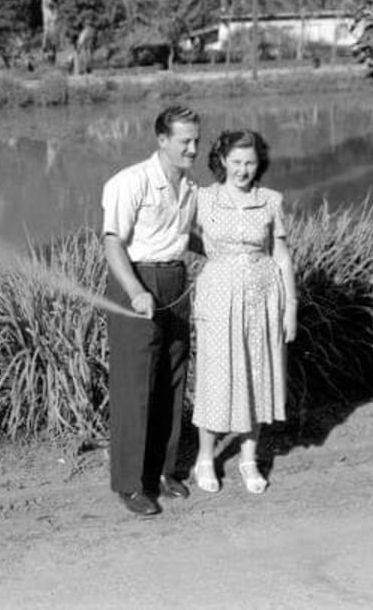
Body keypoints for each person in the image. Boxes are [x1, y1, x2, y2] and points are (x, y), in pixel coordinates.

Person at [101, 105, 200, 516]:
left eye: (196, 140)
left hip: (175, 282)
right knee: (135, 383)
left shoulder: (190, 188)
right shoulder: (131, 182)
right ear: (162, 141)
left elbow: (183, 237)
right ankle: (130, 482)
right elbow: (112, 243)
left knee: (172, 379)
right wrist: (136, 291)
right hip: (136, 285)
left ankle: (162, 470)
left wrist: (226, 250)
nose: (193, 149)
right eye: (185, 142)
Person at [190, 129, 297, 495]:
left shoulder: (270, 200)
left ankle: (249, 459)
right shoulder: (203, 199)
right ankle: (205, 457)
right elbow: (179, 235)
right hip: (218, 297)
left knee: (258, 374)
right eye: (236, 162)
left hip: (264, 296)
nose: (242, 170)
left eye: (249, 162)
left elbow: (281, 256)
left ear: (259, 163)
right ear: (221, 160)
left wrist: (290, 308)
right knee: (216, 374)